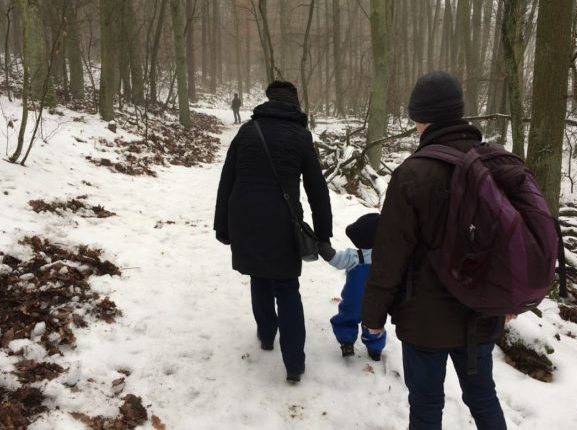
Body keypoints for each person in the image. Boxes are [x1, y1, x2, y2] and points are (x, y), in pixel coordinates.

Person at [361, 71, 507, 430]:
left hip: (425, 320)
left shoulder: (412, 174)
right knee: (483, 397)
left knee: (426, 405)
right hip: (481, 312)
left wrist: (373, 315)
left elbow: (390, 256)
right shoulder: (495, 164)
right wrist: (510, 301)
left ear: (420, 119)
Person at [214, 81, 332, 383]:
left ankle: (267, 336)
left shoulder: (247, 132)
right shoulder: (301, 136)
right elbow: (317, 190)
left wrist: (223, 226)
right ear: (295, 105)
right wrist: (323, 235)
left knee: (259, 277)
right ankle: (294, 365)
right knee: (287, 288)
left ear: (268, 102)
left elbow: (227, 181)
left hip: (245, 217)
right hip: (283, 220)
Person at [318, 213, 386, 361]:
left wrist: (323, 248)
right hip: (377, 301)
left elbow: (336, 260)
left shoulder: (354, 256)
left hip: (353, 300)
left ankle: (347, 342)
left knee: (347, 318)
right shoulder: (385, 256)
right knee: (375, 324)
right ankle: (375, 349)